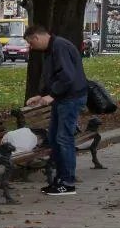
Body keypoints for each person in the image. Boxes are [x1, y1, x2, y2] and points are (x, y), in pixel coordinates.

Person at [23, 25, 87, 196]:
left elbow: (67, 76)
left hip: (70, 99)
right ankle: (60, 180)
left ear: (36, 38)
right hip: (63, 98)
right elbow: (54, 77)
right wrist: (41, 95)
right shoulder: (52, 49)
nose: (31, 47)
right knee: (54, 138)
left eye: (31, 43)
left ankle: (68, 182)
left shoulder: (60, 47)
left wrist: (52, 96)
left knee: (64, 138)